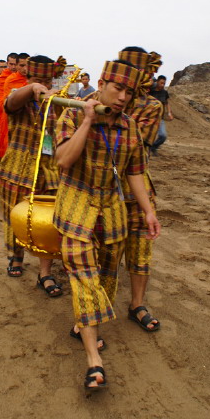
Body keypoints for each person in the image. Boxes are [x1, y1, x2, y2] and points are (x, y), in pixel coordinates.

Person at [54, 60, 161, 391]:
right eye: (118, 88)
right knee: (84, 280)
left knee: (106, 280)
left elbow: (135, 172)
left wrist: (147, 211)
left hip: (112, 214)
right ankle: (93, 361)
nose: (123, 97)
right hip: (76, 211)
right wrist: (87, 120)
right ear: (101, 83)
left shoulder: (129, 127)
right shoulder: (71, 114)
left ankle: (82, 325)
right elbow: (63, 159)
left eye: (129, 92)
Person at [0, 55, 66, 295]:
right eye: (39, 80)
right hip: (17, 169)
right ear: (28, 77)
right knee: (14, 217)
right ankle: (15, 257)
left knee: (46, 222)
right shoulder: (18, 95)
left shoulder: (58, 101)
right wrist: (32, 88)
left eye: (47, 81)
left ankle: (44, 273)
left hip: (49, 172)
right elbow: (10, 103)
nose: (43, 86)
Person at [117, 47, 163, 332]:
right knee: (101, 253)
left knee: (140, 249)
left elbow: (137, 141)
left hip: (137, 189)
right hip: (100, 189)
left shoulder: (152, 106)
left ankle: (137, 304)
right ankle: (95, 309)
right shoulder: (94, 100)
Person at [150, 75, 174, 155]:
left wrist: (169, 113)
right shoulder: (150, 91)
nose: (162, 85)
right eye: (161, 83)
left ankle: (154, 147)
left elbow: (167, 103)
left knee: (163, 136)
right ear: (157, 82)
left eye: (164, 83)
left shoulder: (164, 92)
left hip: (160, 118)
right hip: (149, 117)